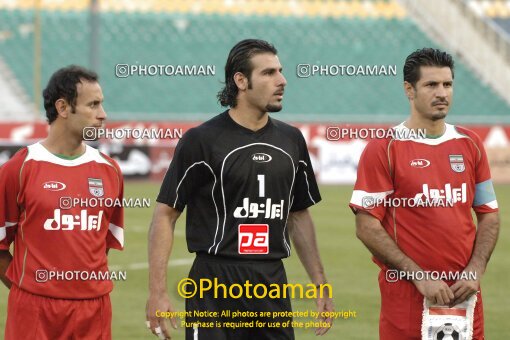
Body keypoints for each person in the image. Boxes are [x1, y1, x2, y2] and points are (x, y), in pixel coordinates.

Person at [146, 39, 334, 340]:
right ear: (241, 80)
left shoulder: (292, 141)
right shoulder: (201, 141)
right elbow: (165, 215)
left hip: (271, 283)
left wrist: (320, 283)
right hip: (213, 284)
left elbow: (298, 215)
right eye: (269, 73)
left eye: (281, 71)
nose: (282, 81)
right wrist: (157, 293)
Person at [349, 48, 500, 339]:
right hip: (407, 297)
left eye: (448, 84)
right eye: (431, 85)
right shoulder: (385, 148)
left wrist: (475, 269)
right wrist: (419, 276)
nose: (442, 92)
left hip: (464, 295)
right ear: (409, 89)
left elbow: (489, 214)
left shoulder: (471, 144)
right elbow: (366, 226)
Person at [0, 65, 124, 339]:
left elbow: (101, 246)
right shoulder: (19, 169)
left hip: (94, 310)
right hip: (33, 309)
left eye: (101, 104)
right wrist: (30, 290)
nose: (102, 114)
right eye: (93, 105)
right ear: (63, 107)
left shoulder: (110, 171)